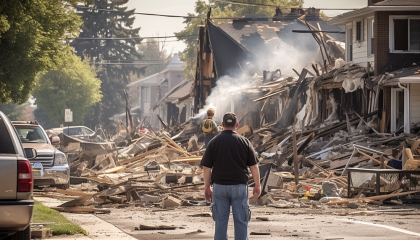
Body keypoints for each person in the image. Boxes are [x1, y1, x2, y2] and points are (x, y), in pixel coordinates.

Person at [201, 112, 261, 240]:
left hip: (219, 188)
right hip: (239, 187)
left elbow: (206, 167)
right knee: (241, 221)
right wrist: (257, 184)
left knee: (221, 222)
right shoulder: (244, 142)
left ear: (222, 125)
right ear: (237, 125)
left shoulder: (213, 142)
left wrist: (207, 187)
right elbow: (254, 166)